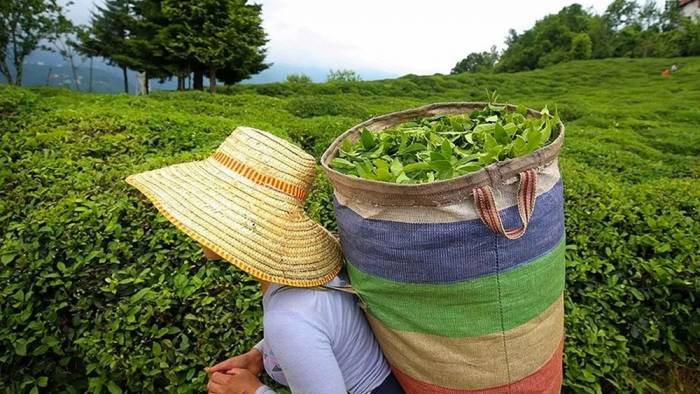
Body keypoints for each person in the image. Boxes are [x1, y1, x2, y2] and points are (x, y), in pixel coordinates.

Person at [126, 127, 404, 394]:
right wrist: (257, 356)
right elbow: (323, 330)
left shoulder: (288, 319)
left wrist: (250, 390)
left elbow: (300, 325)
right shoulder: (304, 280)